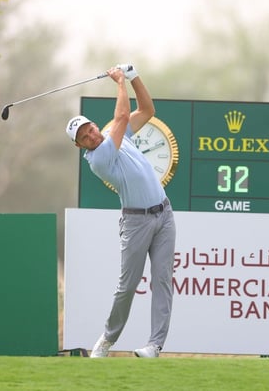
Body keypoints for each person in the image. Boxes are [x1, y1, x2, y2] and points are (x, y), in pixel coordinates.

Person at [66, 64, 176, 358]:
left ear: (92, 124)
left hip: (164, 214)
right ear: (80, 147)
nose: (90, 135)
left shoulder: (113, 134)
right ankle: (107, 339)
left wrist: (134, 75)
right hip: (136, 222)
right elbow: (123, 115)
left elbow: (148, 110)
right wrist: (118, 82)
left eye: (88, 128)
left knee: (163, 280)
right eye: (83, 137)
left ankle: (154, 345)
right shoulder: (98, 159)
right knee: (127, 285)